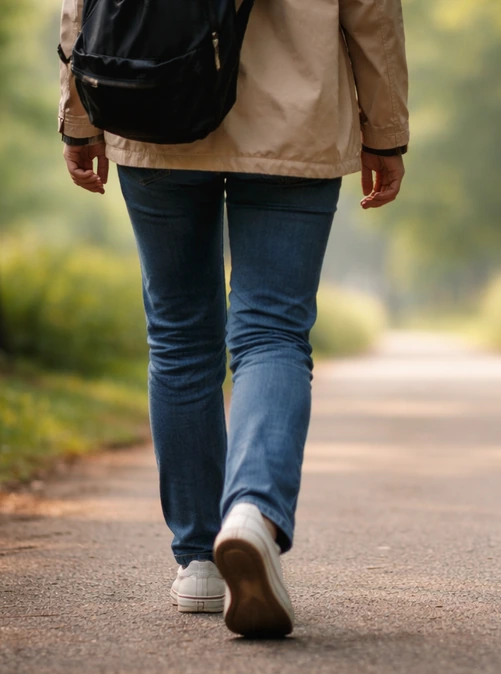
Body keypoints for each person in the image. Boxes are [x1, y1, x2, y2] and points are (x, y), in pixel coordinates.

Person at [57, 0, 409, 638]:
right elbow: (372, 11)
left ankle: (199, 559)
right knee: (272, 333)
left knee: (179, 337)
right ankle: (252, 513)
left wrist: (79, 113)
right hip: (294, 111)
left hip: (151, 92)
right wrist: (384, 130)